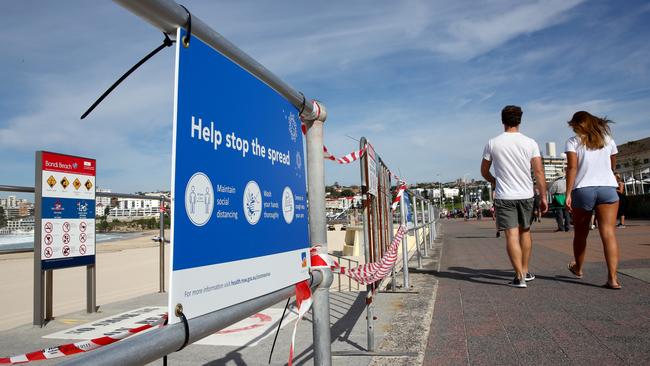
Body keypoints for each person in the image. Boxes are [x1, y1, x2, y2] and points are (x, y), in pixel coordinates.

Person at [481, 105, 548, 288]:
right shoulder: (530, 143)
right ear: (519, 120)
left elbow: (484, 171)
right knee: (525, 232)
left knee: (511, 235)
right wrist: (543, 196)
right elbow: (539, 172)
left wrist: (495, 181)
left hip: (505, 195)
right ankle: (525, 271)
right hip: (526, 194)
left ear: (502, 120)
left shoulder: (493, 143)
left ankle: (519, 276)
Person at [565, 111, 621, 289]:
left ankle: (578, 268)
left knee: (581, 234)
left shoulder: (573, 142)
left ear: (577, 125)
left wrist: (568, 193)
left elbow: (572, 168)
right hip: (607, 188)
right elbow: (612, 165)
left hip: (583, 189)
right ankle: (613, 279)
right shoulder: (608, 140)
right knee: (608, 233)